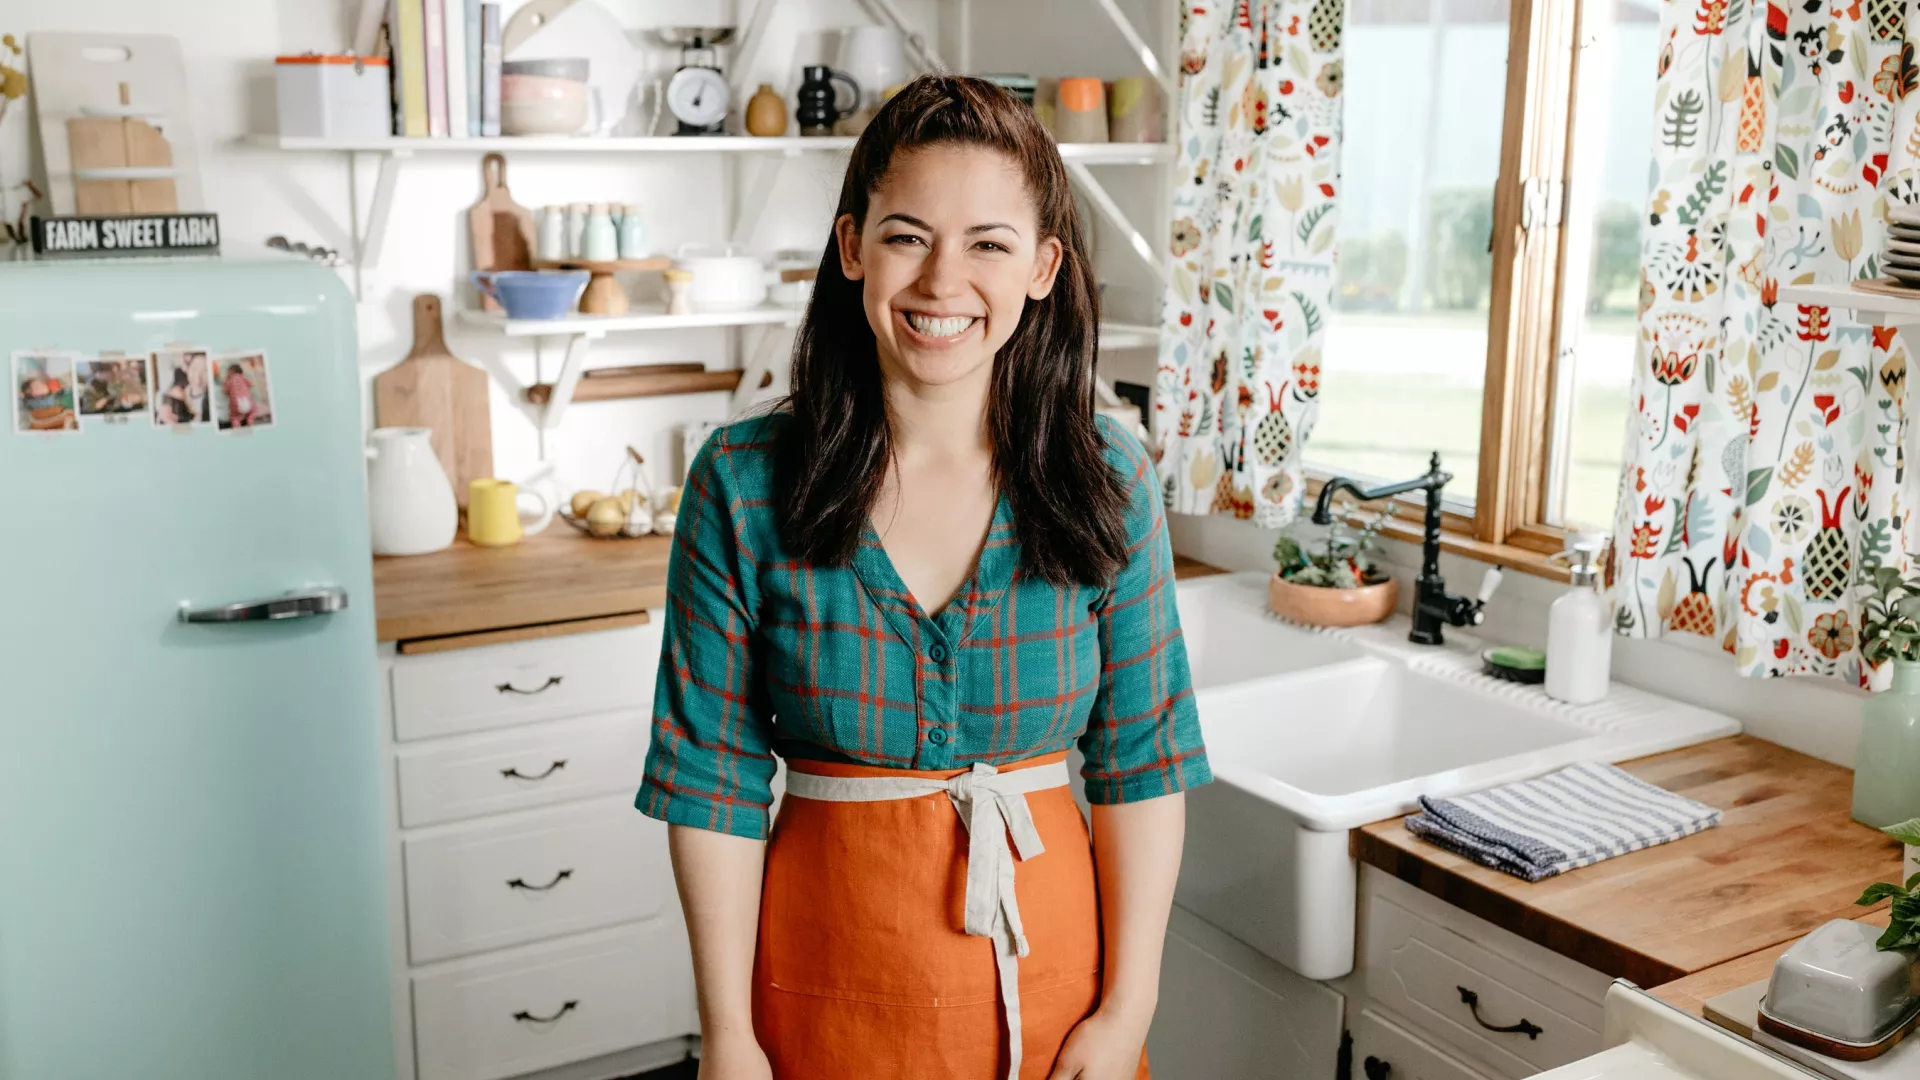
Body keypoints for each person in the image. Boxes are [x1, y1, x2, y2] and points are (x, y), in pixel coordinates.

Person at [636, 76, 1209, 1080]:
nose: (945, 281)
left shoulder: (1110, 479)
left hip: (1058, 1000)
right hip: (814, 996)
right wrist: (727, 1037)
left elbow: (1144, 769)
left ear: (1041, 267)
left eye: (988, 243)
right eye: (908, 235)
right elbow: (711, 785)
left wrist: (1128, 1015)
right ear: (854, 247)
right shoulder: (742, 482)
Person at [223, 363, 255, 427]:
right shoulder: (243, 378)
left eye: (227, 372)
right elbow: (250, 384)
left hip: (236, 404)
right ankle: (250, 420)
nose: (227, 373)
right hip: (247, 402)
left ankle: (237, 427)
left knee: (234, 417)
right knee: (253, 411)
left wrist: (225, 381)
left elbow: (225, 391)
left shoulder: (229, 380)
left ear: (231, 372)